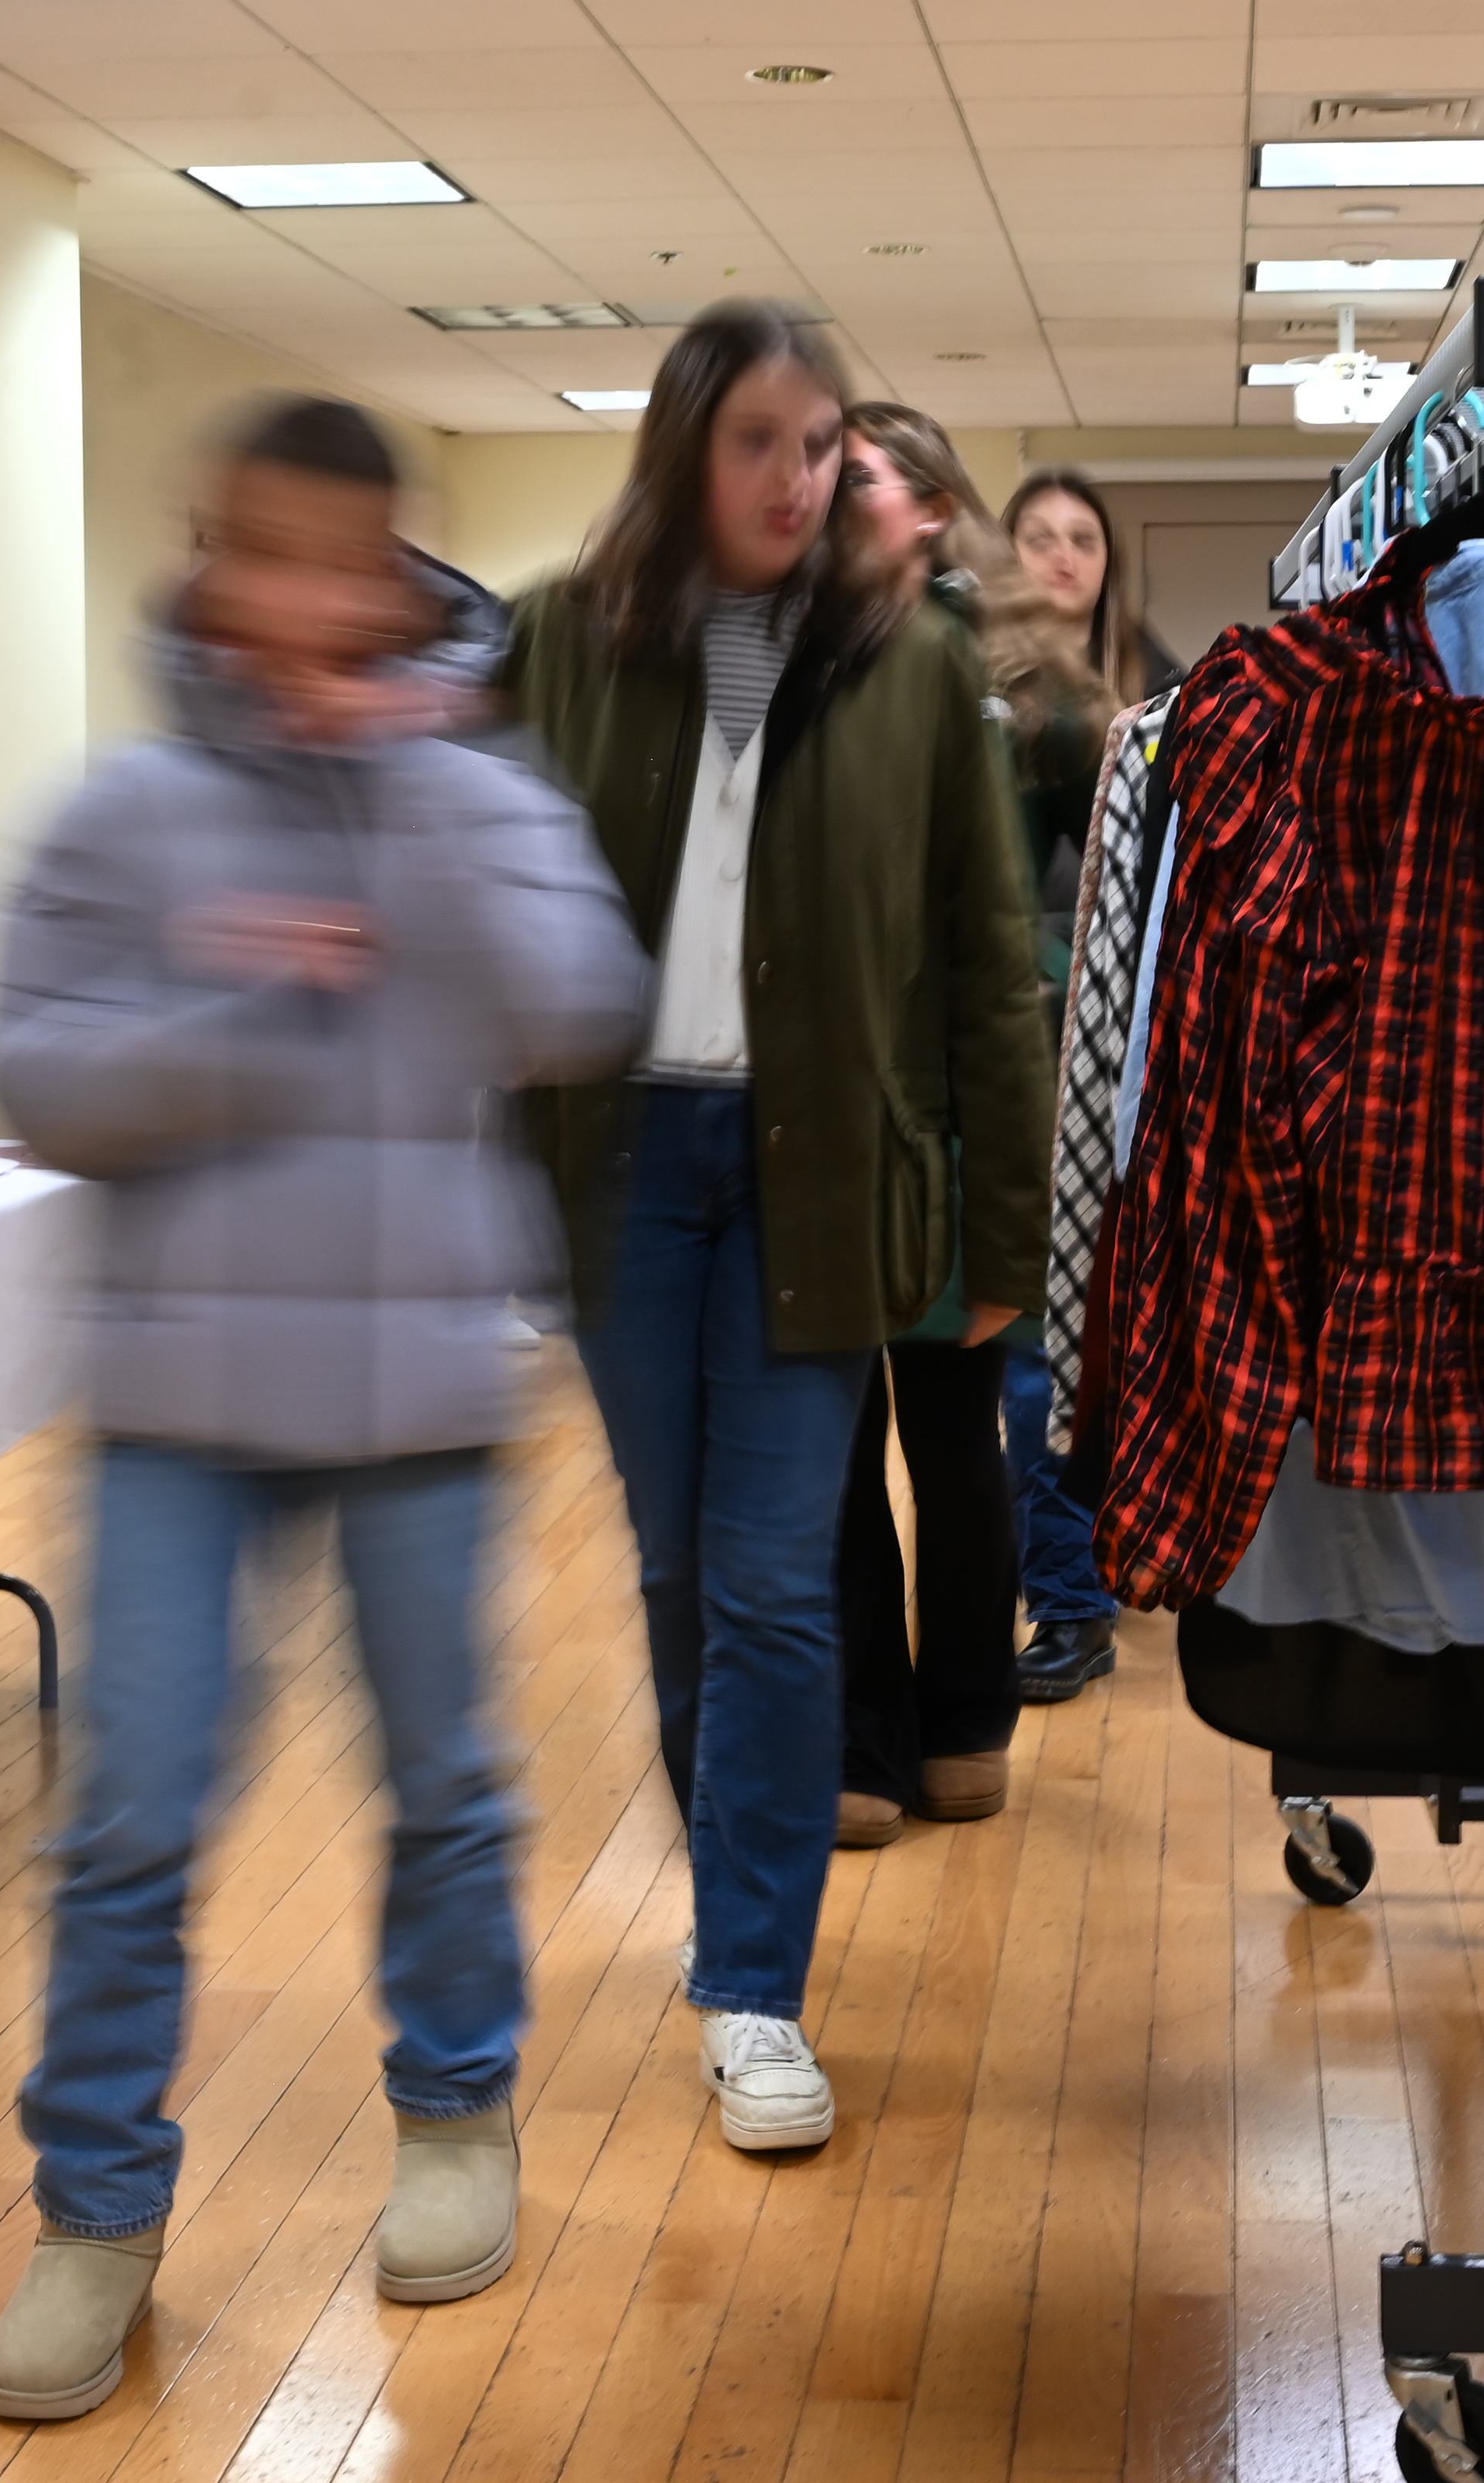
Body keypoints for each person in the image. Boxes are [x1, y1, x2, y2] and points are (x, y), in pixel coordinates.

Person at [0, 395, 646, 2422]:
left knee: (447, 1787)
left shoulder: (485, 785)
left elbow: (577, 1009)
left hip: (425, 1387)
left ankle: (455, 2116)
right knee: (130, 1814)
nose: (295, 602)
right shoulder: (120, 813)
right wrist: (241, 1010)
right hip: (182, 1398)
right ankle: (92, 2213)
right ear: (205, 548)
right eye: (259, 553)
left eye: (340, 564)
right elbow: (32, 1075)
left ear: (391, 574)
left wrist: (426, 800)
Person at [504, 310, 1050, 2145]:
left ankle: (753, 1982)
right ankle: (735, 1896)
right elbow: (484, 917)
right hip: (623, 1174)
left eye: (822, 444)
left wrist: (1010, 1240)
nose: (798, 477)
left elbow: (990, 968)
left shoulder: (916, 665)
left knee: (772, 1580)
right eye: (760, 439)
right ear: (681, 449)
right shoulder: (558, 643)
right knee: (677, 1581)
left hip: (825, 1176)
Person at [821, 406, 1093, 1841]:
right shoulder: (814, 657)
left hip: (958, 1112)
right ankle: (905, 1739)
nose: (817, 495)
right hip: (857, 1112)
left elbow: (1071, 924)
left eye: (852, 475)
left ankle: (929, 1738)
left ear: (928, 507)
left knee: (940, 1431)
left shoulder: (1015, 687)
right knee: (857, 1439)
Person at [990, 468, 1183, 1702]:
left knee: (1093, 1337)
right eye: (1039, 538)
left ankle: (1095, 1571)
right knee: (1028, 1352)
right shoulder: (966, 698)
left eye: (1083, 539)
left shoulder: (1162, 702)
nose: (1063, 557)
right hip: (1004, 1066)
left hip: (1128, 1062)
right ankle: (1070, 1588)